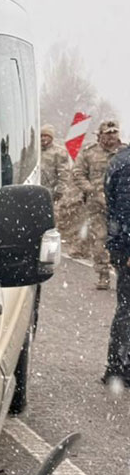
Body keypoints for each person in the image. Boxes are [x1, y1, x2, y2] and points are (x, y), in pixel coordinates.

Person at [67, 120, 127, 289]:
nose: (111, 137)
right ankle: (103, 275)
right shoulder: (89, 153)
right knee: (100, 239)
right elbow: (78, 173)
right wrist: (91, 190)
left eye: (114, 133)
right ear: (100, 135)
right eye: (108, 134)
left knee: (122, 240)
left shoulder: (124, 153)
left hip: (121, 205)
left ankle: (123, 273)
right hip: (97, 205)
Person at [102, 145, 130, 385]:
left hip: (121, 245)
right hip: (127, 247)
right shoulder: (127, 164)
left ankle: (119, 366)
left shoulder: (120, 160)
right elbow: (125, 211)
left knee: (126, 308)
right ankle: (119, 367)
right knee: (127, 309)